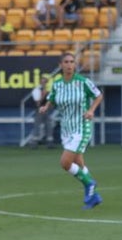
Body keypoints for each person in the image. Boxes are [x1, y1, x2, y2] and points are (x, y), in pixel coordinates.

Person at [36, 52, 103, 209]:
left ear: (75, 64)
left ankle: (90, 184)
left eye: (72, 62)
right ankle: (93, 196)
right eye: (66, 62)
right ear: (60, 65)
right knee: (79, 164)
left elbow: (99, 95)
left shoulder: (83, 82)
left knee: (65, 163)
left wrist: (91, 110)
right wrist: (46, 106)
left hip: (81, 127)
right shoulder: (57, 84)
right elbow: (52, 98)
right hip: (66, 129)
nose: (69, 65)